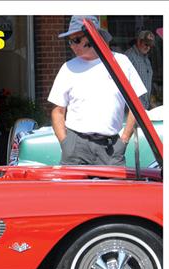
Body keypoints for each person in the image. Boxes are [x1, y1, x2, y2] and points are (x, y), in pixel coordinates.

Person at [48, 16, 147, 166]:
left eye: (76, 40)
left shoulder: (121, 63)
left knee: (114, 190)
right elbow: (58, 111)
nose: (72, 46)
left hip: (111, 148)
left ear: (92, 38)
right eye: (70, 41)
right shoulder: (67, 68)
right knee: (72, 190)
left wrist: (123, 140)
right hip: (76, 146)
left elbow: (137, 104)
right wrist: (66, 144)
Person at [125, 30, 155, 110]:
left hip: (144, 107)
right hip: (132, 109)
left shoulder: (146, 58)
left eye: (150, 45)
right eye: (146, 44)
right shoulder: (129, 56)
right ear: (139, 42)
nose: (148, 47)